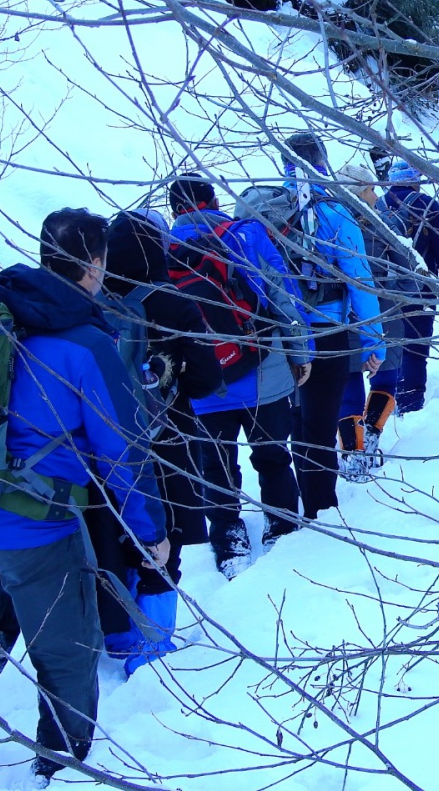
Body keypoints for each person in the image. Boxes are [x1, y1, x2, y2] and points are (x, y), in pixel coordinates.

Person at [0, 209, 169, 790]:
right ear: (96, 264)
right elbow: (122, 452)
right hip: (36, 528)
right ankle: (58, 771)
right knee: (67, 654)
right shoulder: (85, 342)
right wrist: (149, 532)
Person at [93, 210, 223, 674]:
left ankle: (121, 636)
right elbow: (207, 381)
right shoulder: (175, 303)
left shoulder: (89, 303)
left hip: (100, 443)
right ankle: (153, 647)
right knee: (165, 540)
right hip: (167, 441)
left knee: (116, 533)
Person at [168, 175, 313, 578]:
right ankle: (281, 524)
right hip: (262, 372)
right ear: (213, 200)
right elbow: (284, 294)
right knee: (272, 454)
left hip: (203, 382)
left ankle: (229, 537)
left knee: (215, 463)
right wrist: (302, 353)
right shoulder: (246, 235)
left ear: (175, 209)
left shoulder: (164, 249)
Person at [282, 132, 385, 517]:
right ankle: (321, 508)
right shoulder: (336, 212)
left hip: (278, 333)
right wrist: (375, 343)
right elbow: (359, 281)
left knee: (296, 418)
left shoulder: (262, 207)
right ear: (322, 160)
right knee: (321, 423)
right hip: (328, 332)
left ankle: (289, 503)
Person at [334, 163, 421, 468]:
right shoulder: (382, 221)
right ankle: (371, 435)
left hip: (340, 312)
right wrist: (402, 294)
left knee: (350, 376)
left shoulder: (324, 219)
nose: (376, 193)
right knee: (386, 373)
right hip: (383, 308)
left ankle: (353, 451)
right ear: (359, 192)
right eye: (371, 188)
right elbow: (405, 264)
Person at [380, 159, 439, 412]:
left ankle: (386, 399)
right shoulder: (426, 204)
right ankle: (410, 401)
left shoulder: (375, 205)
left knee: (390, 343)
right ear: (414, 180)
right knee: (416, 343)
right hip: (420, 285)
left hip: (384, 287)